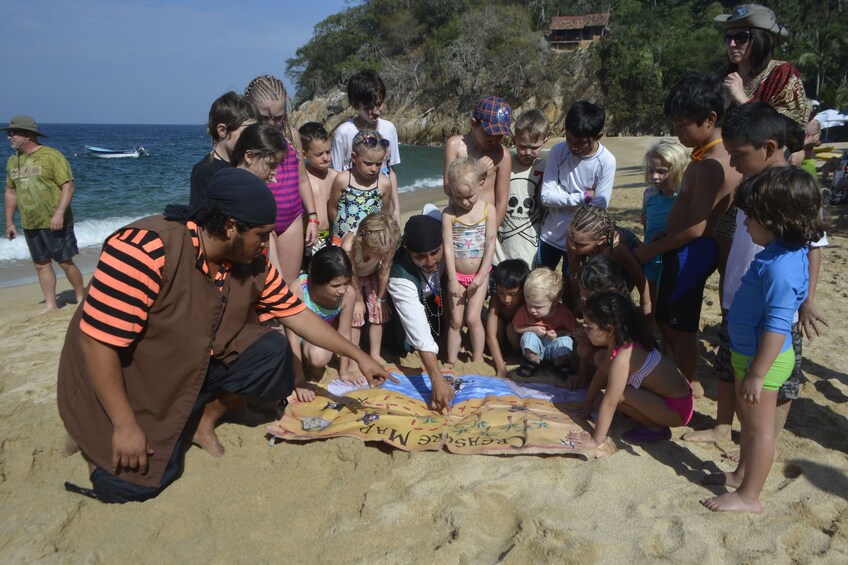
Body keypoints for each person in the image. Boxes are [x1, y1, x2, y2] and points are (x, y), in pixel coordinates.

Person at [57, 168, 392, 503]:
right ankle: (91, 432)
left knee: (273, 355)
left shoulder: (250, 260)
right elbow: (97, 343)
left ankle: (203, 417)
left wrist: (361, 357)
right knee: (136, 484)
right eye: (261, 236)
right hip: (131, 376)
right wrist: (124, 425)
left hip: (191, 363)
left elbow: (296, 313)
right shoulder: (145, 248)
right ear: (231, 227)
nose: (266, 244)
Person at [684, 102, 828, 451]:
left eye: (738, 155)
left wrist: (808, 301)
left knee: (776, 382)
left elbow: (814, 246)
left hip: (777, 304)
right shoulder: (749, 186)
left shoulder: (794, 189)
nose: (732, 163)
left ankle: (767, 441)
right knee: (727, 365)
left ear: (768, 148)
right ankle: (722, 428)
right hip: (740, 295)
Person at [701, 166, 825, 513]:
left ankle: (749, 496)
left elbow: (776, 324)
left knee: (758, 433)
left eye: (750, 218)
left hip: (763, 361)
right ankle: (741, 475)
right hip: (750, 354)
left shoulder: (779, 268)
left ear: (776, 220)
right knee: (748, 424)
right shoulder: (778, 254)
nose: (743, 224)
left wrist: (757, 373)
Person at [633, 73, 742, 399]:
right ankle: (681, 377)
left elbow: (697, 227)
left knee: (679, 326)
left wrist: (652, 249)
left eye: (682, 125)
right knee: (671, 321)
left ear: (709, 119)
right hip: (685, 248)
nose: (677, 133)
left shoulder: (710, 164)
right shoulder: (716, 154)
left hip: (690, 252)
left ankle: (685, 383)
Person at [565, 292, 694, 449]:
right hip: (674, 399)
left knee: (618, 395)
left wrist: (595, 440)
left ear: (609, 330)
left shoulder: (624, 356)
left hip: (677, 409)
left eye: (589, 326)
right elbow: (602, 372)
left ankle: (657, 428)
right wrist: (588, 402)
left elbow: (610, 402)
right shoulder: (620, 343)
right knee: (616, 390)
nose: (584, 329)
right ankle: (655, 422)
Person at [244, 75, 319, 292]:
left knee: (288, 287)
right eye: (265, 117)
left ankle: (285, 327)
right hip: (259, 221)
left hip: (291, 219)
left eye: (278, 117)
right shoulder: (246, 140)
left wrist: (312, 217)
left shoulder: (290, 136)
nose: (272, 123)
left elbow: (302, 179)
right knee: (263, 288)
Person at [3, 115, 85, 311]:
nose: (9, 137)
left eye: (13, 133)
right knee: (41, 265)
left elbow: (68, 186)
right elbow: (10, 192)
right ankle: (50, 304)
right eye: (8, 133)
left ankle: (82, 298)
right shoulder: (12, 161)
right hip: (30, 222)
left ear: (28, 134)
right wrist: (9, 222)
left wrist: (59, 214)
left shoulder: (51, 156)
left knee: (65, 262)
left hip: (55, 221)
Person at [386, 214, 456, 411]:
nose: (430, 261)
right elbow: (417, 327)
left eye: (435, 252)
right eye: (421, 256)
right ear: (408, 251)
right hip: (404, 314)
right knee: (403, 345)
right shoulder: (400, 276)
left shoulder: (447, 245)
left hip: (435, 300)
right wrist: (436, 379)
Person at [539, 101, 616, 274]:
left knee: (572, 287)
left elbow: (597, 210)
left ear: (598, 136)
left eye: (580, 143)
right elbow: (546, 197)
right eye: (569, 139)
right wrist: (583, 197)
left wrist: (561, 195)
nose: (573, 146)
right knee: (539, 282)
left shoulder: (606, 162)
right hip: (550, 235)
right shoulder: (558, 152)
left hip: (579, 242)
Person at [715, 4, 810, 127]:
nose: (732, 44)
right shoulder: (723, 80)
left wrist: (743, 101)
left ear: (761, 39)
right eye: (728, 37)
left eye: (741, 37)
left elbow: (792, 131)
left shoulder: (782, 73)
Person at [442, 157, 497, 366]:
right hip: (456, 275)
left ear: (481, 183)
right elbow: (448, 247)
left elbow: (490, 244)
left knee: (473, 318)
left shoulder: (487, 210)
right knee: (456, 320)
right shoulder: (449, 214)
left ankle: (477, 359)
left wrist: (482, 275)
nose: (464, 202)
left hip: (479, 275)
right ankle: (451, 360)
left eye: (469, 196)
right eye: (458, 197)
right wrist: (453, 279)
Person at [331, 70, 401, 224]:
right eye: (369, 106)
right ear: (356, 105)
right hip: (351, 208)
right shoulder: (343, 133)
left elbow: (391, 170)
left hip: (380, 202)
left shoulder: (389, 128)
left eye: (379, 103)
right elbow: (334, 176)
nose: (376, 111)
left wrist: (396, 209)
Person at [290, 246, 359, 402]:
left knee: (318, 357)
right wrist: (299, 381)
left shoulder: (348, 295)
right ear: (317, 282)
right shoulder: (299, 289)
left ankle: (310, 366)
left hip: (316, 338)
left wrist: (344, 371)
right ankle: (299, 370)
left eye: (346, 283)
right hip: (294, 335)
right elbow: (292, 337)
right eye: (335, 286)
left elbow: (344, 333)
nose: (342, 290)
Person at [339, 212, 402, 368]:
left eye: (384, 253)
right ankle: (354, 358)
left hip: (371, 274)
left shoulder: (387, 244)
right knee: (356, 314)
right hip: (349, 277)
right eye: (377, 253)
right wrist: (359, 301)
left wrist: (381, 298)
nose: (382, 256)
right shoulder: (351, 245)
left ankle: (375, 353)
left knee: (377, 311)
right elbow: (351, 272)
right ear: (364, 243)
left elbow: (384, 270)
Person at [565, 205, 649, 317]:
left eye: (581, 245)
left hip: (625, 267)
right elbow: (574, 274)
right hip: (601, 261)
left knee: (615, 304)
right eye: (571, 240)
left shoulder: (617, 248)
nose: (573, 247)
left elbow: (639, 276)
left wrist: (646, 305)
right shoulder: (574, 241)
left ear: (601, 240)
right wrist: (578, 303)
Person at [444, 96, 513, 227]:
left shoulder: (503, 155)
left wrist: (491, 232)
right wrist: (475, 170)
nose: (494, 139)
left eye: (500, 135)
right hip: (457, 223)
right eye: (489, 132)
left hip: (486, 224)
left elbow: (502, 201)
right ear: (474, 123)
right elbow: (448, 188)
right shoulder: (455, 146)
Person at [495, 109, 548, 267]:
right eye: (522, 146)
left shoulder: (546, 168)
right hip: (502, 248)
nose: (528, 152)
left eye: (534, 147)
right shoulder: (504, 165)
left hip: (532, 246)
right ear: (513, 139)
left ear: (545, 140)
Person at [568, 255, 630, 390]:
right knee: (583, 349)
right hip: (604, 350)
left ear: (611, 291)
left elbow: (617, 347)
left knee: (600, 358)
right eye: (581, 291)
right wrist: (581, 372)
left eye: (588, 293)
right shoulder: (589, 305)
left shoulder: (622, 312)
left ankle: (613, 381)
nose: (583, 297)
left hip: (625, 359)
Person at [640, 140, 689, 307]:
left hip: (671, 260)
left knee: (665, 303)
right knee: (647, 302)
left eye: (661, 172)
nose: (654, 176)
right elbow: (646, 223)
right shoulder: (649, 194)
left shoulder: (683, 198)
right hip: (650, 259)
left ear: (678, 170)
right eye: (651, 170)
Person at [189, 92, 259, 206]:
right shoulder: (204, 170)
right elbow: (198, 214)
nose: (252, 137)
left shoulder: (249, 163)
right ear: (222, 130)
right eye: (247, 131)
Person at [511, 267, 577, 379]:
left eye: (538, 307)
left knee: (566, 341)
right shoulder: (524, 311)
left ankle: (560, 364)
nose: (532, 310)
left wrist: (558, 333)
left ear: (555, 301)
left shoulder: (563, 313)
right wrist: (532, 329)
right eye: (529, 304)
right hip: (535, 347)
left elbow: (574, 331)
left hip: (554, 345)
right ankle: (533, 362)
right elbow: (517, 328)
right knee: (528, 336)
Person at [329, 130, 392, 239]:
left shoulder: (384, 183)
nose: (374, 169)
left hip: (370, 242)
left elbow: (384, 214)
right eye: (368, 163)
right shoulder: (342, 179)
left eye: (378, 164)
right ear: (354, 157)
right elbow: (332, 208)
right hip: (342, 239)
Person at [486, 259, 530, 378]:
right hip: (501, 336)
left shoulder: (528, 301)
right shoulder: (495, 300)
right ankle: (499, 353)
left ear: (523, 289)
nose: (506, 299)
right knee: (498, 323)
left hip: (517, 334)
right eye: (501, 292)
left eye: (513, 294)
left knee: (512, 328)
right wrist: (500, 367)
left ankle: (515, 354)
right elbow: (490, 334)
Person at [299, 122, 337, 257]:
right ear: (304, 154)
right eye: (319, 154)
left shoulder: (334, 176)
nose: (326, 157)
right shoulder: (303, 179)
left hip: (333, 235)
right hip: (309, 235)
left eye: (328, 151)